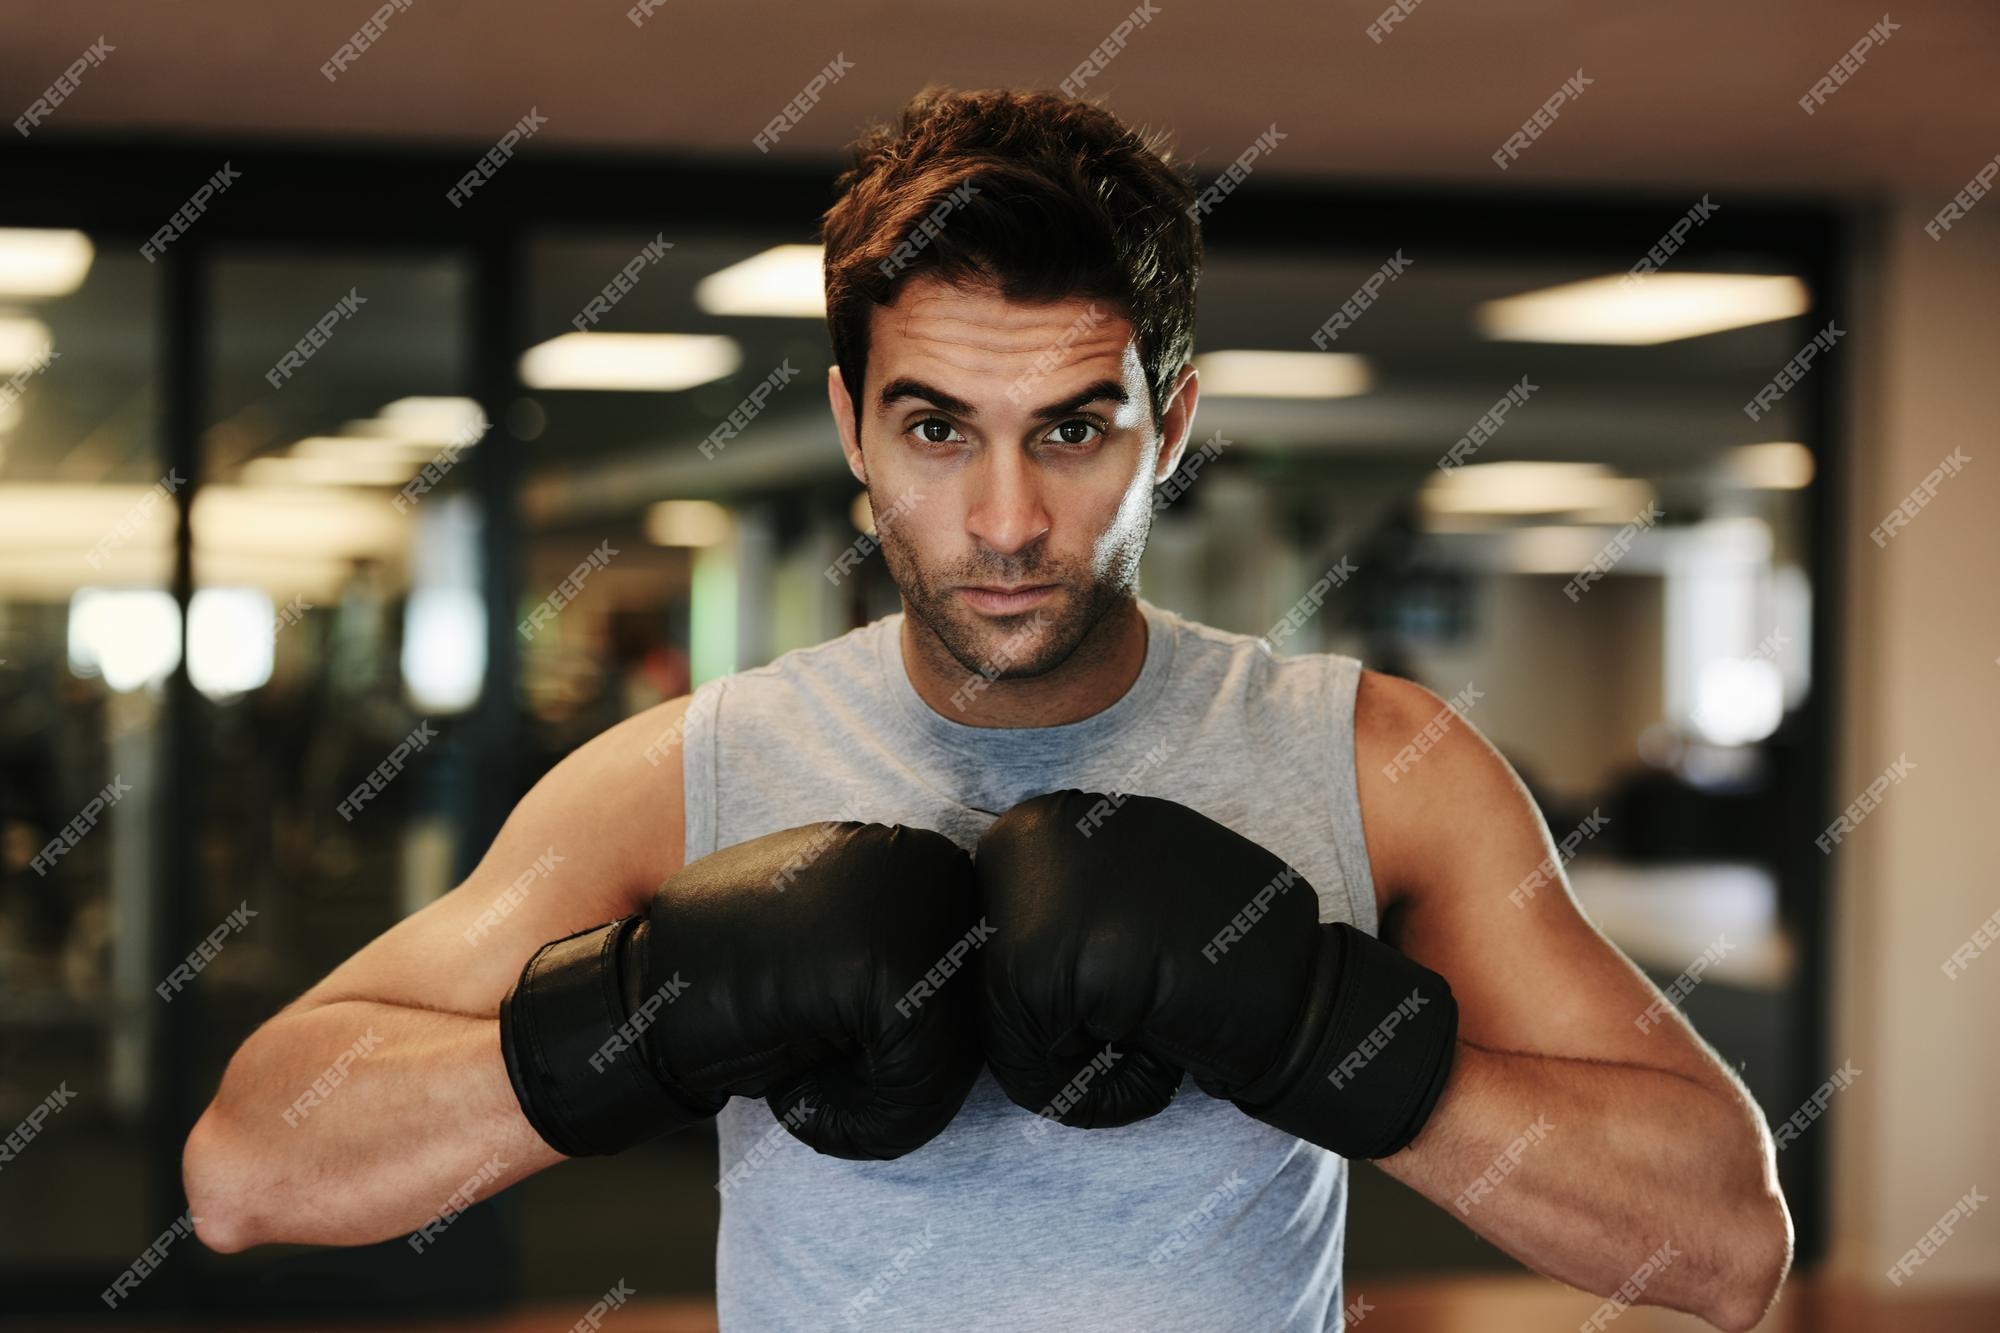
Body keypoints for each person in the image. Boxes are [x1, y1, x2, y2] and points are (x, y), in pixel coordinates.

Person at [182, 86, 1790, 1331]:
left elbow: (1725, 1239)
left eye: (1076, 427)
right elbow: (249, 1169)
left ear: (1173, 425)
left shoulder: (1375, 764)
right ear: (850, 426)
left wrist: (1315, 1022)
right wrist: (653, 1013)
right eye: (939, 429)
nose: (1009, 519)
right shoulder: (688, 775)